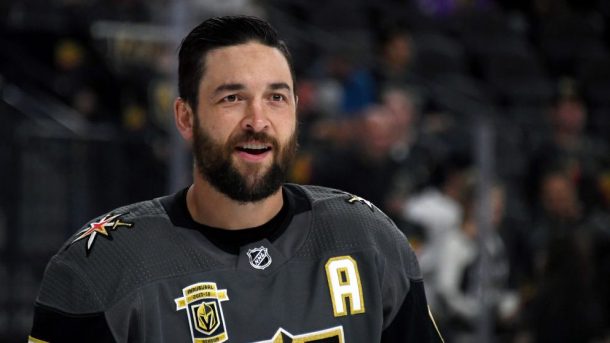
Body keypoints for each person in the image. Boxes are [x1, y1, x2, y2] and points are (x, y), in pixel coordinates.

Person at [28, 15, 443, 342]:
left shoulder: (368, 240)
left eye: (276, 98)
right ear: (186, 117)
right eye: (232, 98)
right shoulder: (102, 266)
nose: (258, 121)